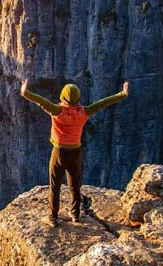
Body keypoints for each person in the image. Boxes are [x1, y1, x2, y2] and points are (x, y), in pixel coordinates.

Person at [20, 79, 129, 227]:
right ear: (78, 98)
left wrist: (25, 92)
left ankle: (53, 218)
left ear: (63, 97)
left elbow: (41, 101)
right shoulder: (84, 112)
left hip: (59, 152)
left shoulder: (57, 111)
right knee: (75, 186)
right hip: (76, 153)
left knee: (55, 185)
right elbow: (103, 103)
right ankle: (75, 215)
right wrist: (122, 94)